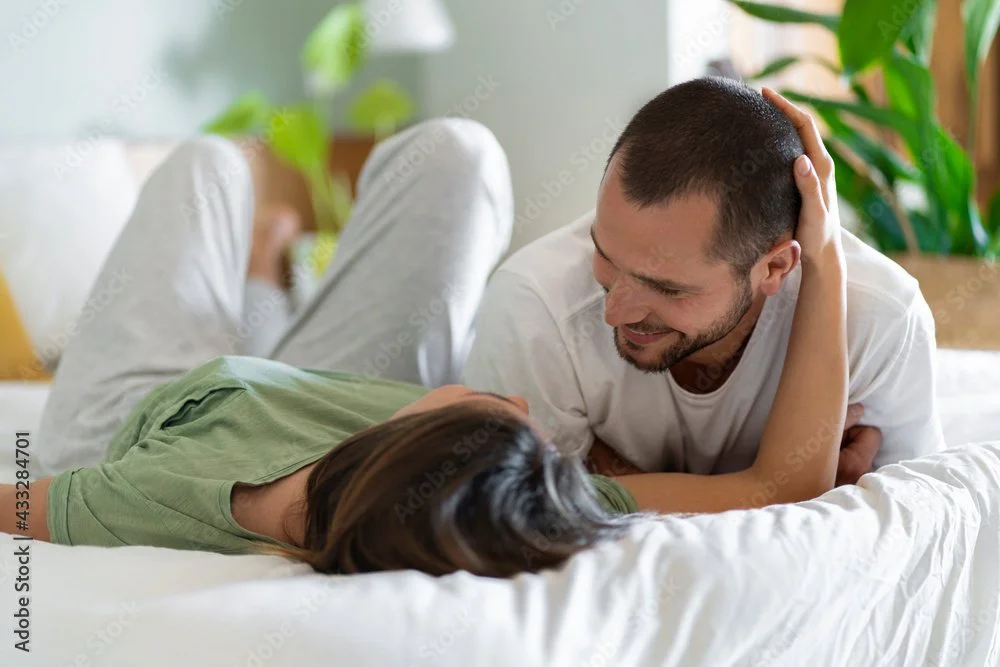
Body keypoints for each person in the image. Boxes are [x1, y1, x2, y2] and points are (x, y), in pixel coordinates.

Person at [0, 94, 848, 577]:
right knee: (459, 153)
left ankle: (261, 272)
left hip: (137, 425)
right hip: (287, 390)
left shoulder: (165, 493)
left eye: (494, 412)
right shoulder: (508, 492)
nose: (522, 401)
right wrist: (823, 257)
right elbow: (781, 485)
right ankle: (266, 273)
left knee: (207, 168)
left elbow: (26, 507)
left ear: (425, 435)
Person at [463, 79, 945, 485]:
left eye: (667, 288)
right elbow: (524, 524)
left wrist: (612, 479)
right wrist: (821, 500)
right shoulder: (533, 305)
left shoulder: (882, 320)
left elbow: (919, 529)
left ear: (775, 268)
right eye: (606, 255)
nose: (614, 311)